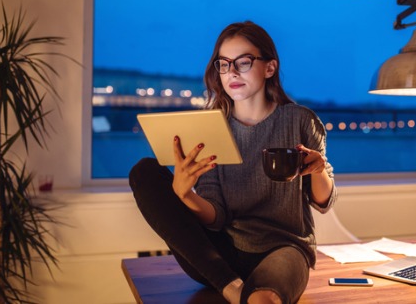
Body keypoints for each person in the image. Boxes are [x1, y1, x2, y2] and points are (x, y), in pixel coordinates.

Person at [129, 21, 337, 304]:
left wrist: (319, 169)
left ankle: (238, 288)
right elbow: (216, 217)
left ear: (269, 68)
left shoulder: (300, 120)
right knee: (144, 171)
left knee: (263, 300)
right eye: (224, 64)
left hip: (284, 249)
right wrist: (185, 193)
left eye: (243, 62)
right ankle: (229, 285)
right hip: (219, 257)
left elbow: (323, 202)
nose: (232, 72)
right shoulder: (212, 127)